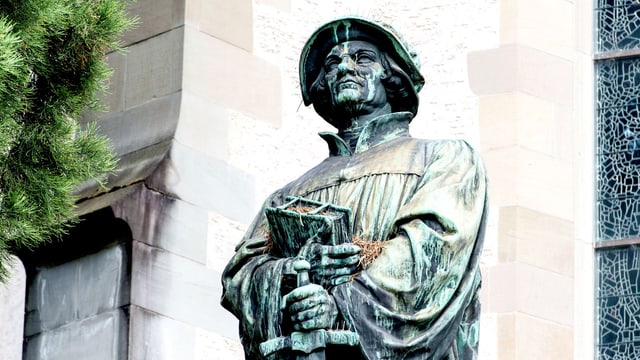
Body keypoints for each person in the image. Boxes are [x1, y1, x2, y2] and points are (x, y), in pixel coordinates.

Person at [221, 16, 488, 360]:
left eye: (362, 58)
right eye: (332, 63)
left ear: (392, 76)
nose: (345, 67)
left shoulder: (445, 159)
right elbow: (239, 274)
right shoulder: (289, 193)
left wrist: (339, 307)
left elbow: (430, 254)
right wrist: (293, 273)